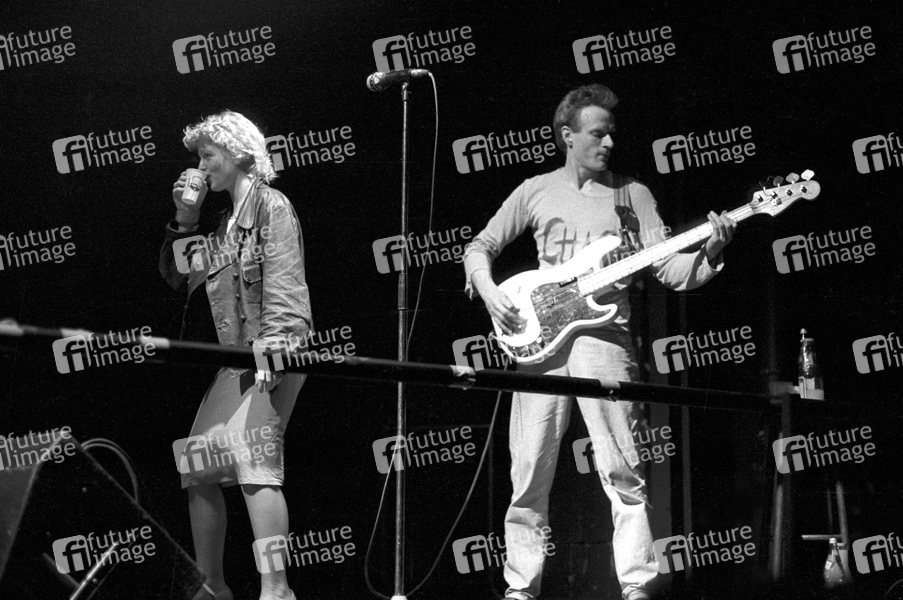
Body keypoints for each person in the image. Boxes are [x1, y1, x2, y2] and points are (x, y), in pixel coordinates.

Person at [462, 84, 736, 600]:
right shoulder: (535, 189)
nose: (608, 143)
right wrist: (490, 291)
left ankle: (636, 584)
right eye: (596, 133)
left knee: (623, 468)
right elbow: (481, 247)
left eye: (611, 134)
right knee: (529, 470)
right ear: (567, 136)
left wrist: (711, 253)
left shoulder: (633, 195)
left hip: (605, 341)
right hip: (539, 341)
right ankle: (521, 587)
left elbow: (670, 270)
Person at [160, 110, 312, 600]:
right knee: (197, 462)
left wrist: (277, 343)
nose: (201, 166)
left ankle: (276, 589)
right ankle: (212, 587)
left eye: (208, 154)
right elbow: (179, 276)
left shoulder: (271, 205)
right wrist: (186, 218)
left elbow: (285, 277)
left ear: (239, 152)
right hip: (237, 361)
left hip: (274, 348)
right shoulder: (223, 224)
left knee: (254, 460)